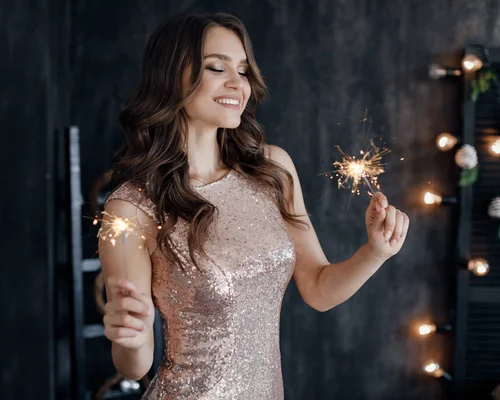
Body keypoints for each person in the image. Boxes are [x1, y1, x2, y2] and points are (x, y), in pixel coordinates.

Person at [97, 11, 409, 400]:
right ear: (170, 76)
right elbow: (135, 364)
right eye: (216, 67)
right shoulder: (131, 208)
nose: (237, 84)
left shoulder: (272, 170)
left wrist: (374, 253)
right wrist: (127, 335)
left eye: (243, 71)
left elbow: (318, 289)